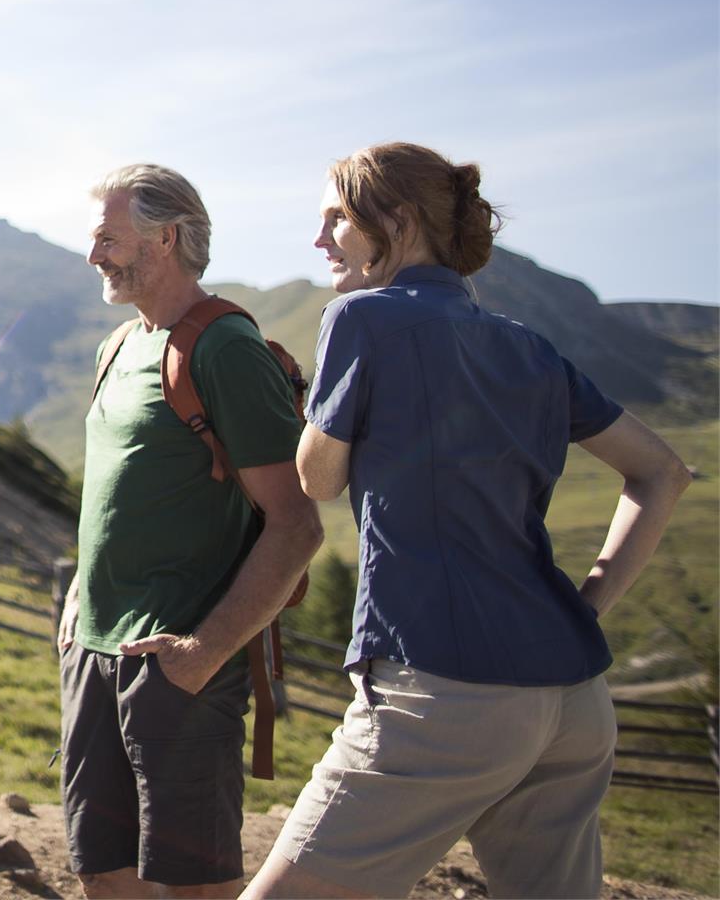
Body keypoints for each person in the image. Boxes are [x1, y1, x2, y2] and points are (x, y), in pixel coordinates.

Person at [245, 143, 693, 900]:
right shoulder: (529, 345)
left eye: (335, 220)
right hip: (573, 697)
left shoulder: (359, 317)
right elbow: (663, 472)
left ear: (398, 219)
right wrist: (584, 610)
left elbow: (318, 478)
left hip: (442, 687)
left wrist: (316, 403)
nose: (320, 243)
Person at [59, 165, 324, 899]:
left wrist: (202, 654)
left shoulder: (223, 347)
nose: (95, 257)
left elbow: (297, 525)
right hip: (95, 649)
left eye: (109, 239)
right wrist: (80, 604)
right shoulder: (119, 347)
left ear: (166, 238)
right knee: (102, 871)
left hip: (176, 658)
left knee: (191, 885)